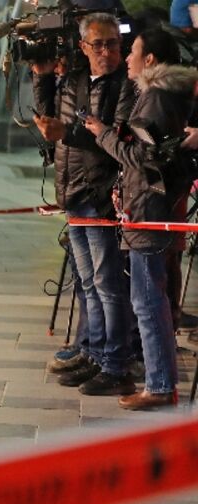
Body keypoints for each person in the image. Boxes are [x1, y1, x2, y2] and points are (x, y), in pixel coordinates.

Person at [87, 28, 198, 409]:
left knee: (148, 300)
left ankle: (160, 385)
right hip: (149, 205)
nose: (127, 58)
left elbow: (142, 158)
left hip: (149, 207)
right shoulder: (162, 95)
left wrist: (103, 135)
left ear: (149, 60)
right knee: (151, 297)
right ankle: (159, 382)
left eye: (132, 51)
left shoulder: (155, 97)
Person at [32, 13, 138, 396]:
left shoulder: (126, 85)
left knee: (108, 284)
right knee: (88, 284)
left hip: (101, 194)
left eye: (113, 43)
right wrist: (42, 75)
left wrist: (70, 133)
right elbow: (49, 121)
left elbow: (114, 140)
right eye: (99, 44)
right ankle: (93, 352)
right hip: (73, 191)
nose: (107, 51)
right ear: (83, 47)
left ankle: (116, 363)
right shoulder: (75, 81)